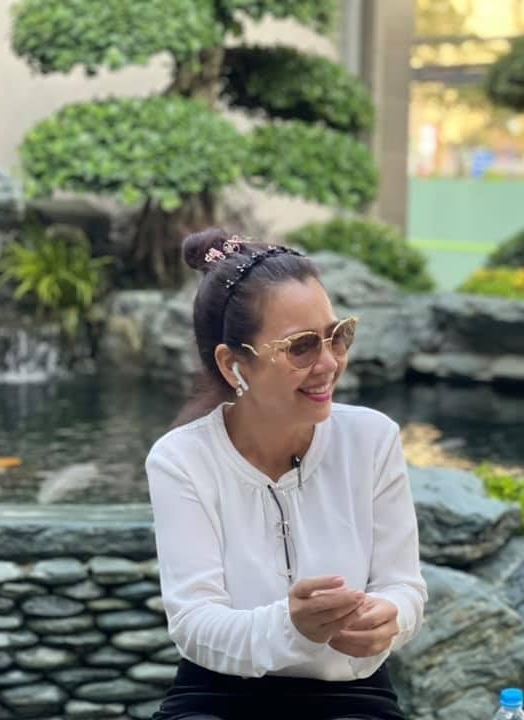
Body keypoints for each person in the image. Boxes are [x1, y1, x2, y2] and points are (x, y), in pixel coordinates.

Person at [145, 228, 428, 720]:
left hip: (350, 692)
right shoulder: (181, 459)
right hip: (218, 692)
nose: (329, 362)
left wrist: (393, 617)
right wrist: (290, 627)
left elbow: (404, 586)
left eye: (338, 336)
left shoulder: (372, 439)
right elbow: (193, 623)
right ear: (233, 364)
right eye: (301, 346)